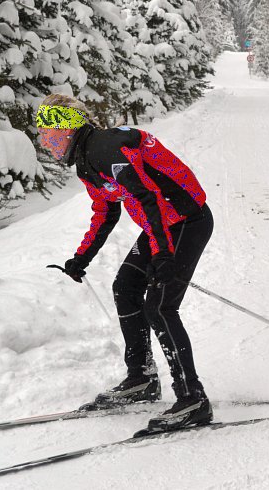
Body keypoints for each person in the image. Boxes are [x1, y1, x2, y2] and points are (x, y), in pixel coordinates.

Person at [36, 94, 214, 431]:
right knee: (125, 287)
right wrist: (82, 257)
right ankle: (141, 379)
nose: (45, 142)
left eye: (48, 133)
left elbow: (147, 196)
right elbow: (106, 211)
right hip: (163, 224)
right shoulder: (87, 159)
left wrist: (162, 254)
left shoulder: (105, 149)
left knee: (160, 307)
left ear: (66, 128)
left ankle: (193, 399)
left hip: (187, 221)